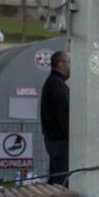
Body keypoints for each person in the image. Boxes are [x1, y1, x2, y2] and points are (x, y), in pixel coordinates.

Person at [40, 50, 70, 185]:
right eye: (69, 62)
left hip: (55, 138)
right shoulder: (56, 85)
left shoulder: (54, 83)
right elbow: (63, 113)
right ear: (61, 64)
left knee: (58, 175)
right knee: (59, 177)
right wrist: (71, 135)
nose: (71, 66)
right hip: (59, 140)